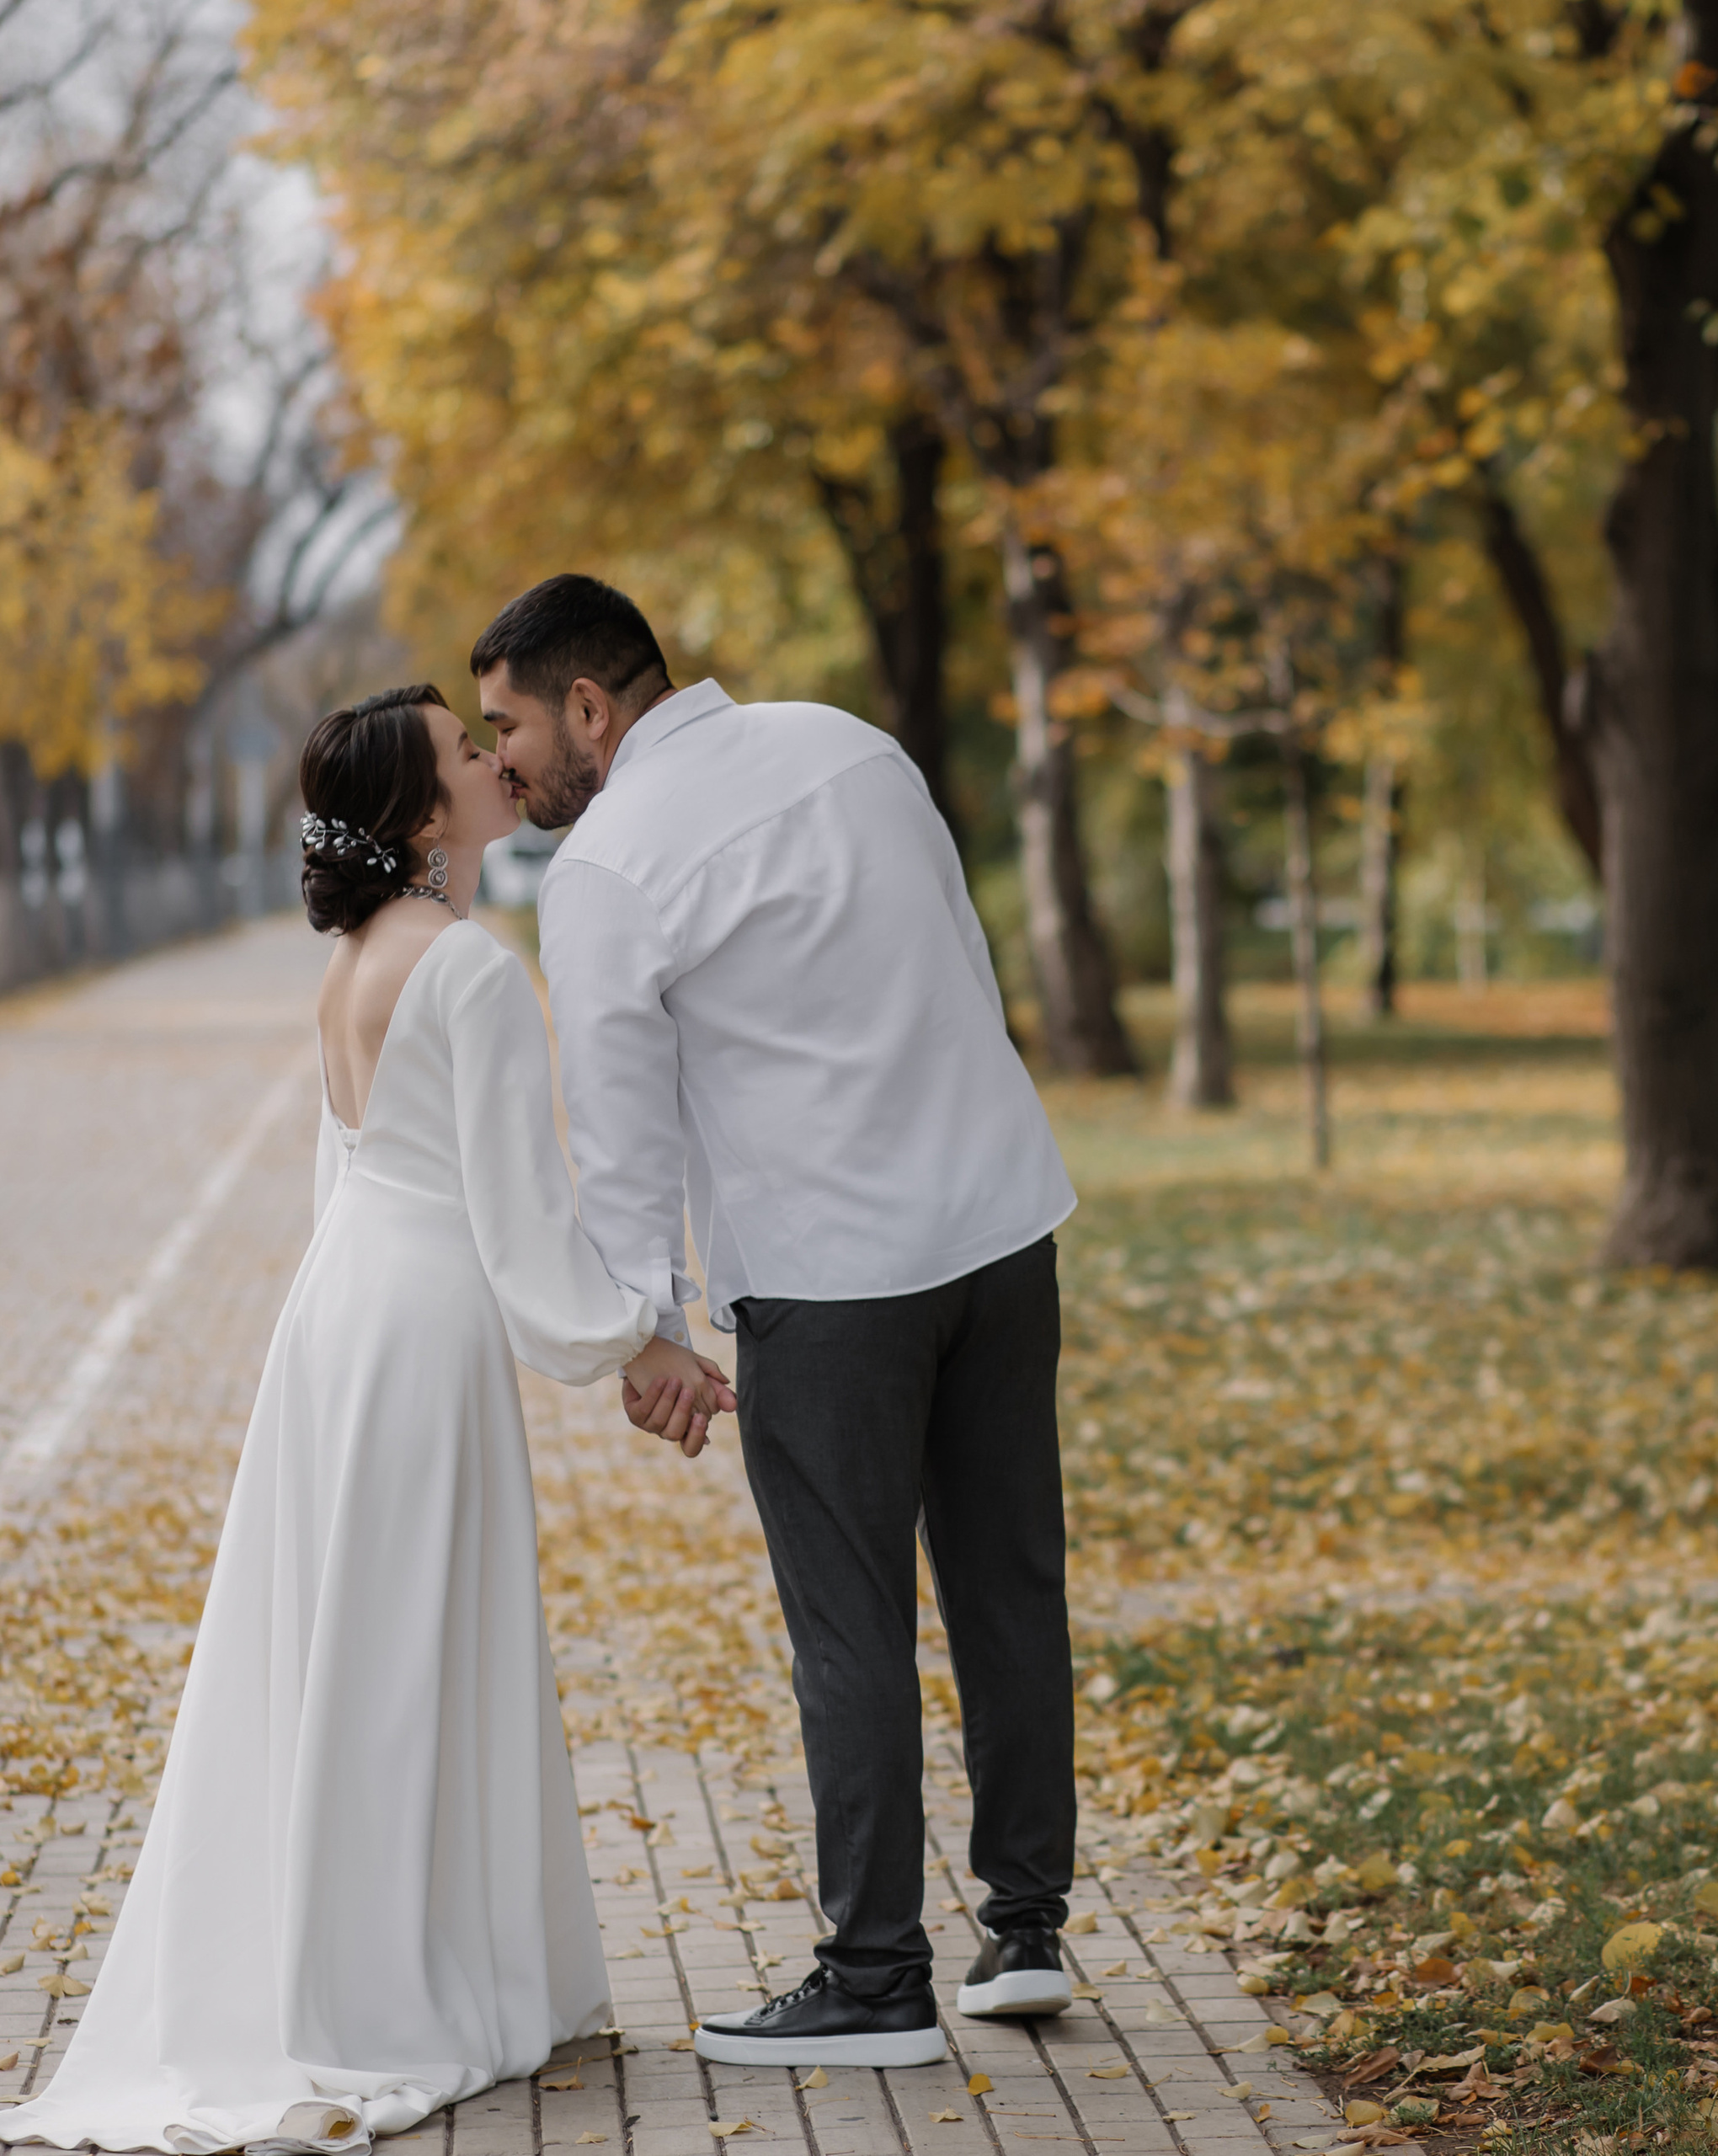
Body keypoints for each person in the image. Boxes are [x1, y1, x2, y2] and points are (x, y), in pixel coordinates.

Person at [0, 686, 726, 2153]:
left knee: (360, 1640)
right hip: (425, 1324)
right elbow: (522, 1229)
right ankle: (403, 1981)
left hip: (337, 1320)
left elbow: (354, 1181)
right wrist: (642, 1344)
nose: (492, 761)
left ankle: (363, 1951)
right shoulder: (465, 967)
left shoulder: (349, 963)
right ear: (419, 815)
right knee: (412, 1648)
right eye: (468, 753)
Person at [474, 574, 1081, 2067]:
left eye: (511, 725)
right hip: (1000, 1229)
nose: (502, 764)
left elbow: (620, 1130)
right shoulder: (853, 744)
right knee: (1010, 1580)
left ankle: (876, 1973)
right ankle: (1026, 1929)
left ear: (591, 707)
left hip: (831, 1278)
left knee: (849, 1623)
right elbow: (963, 966)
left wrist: (645, 1334)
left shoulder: (610, 862)